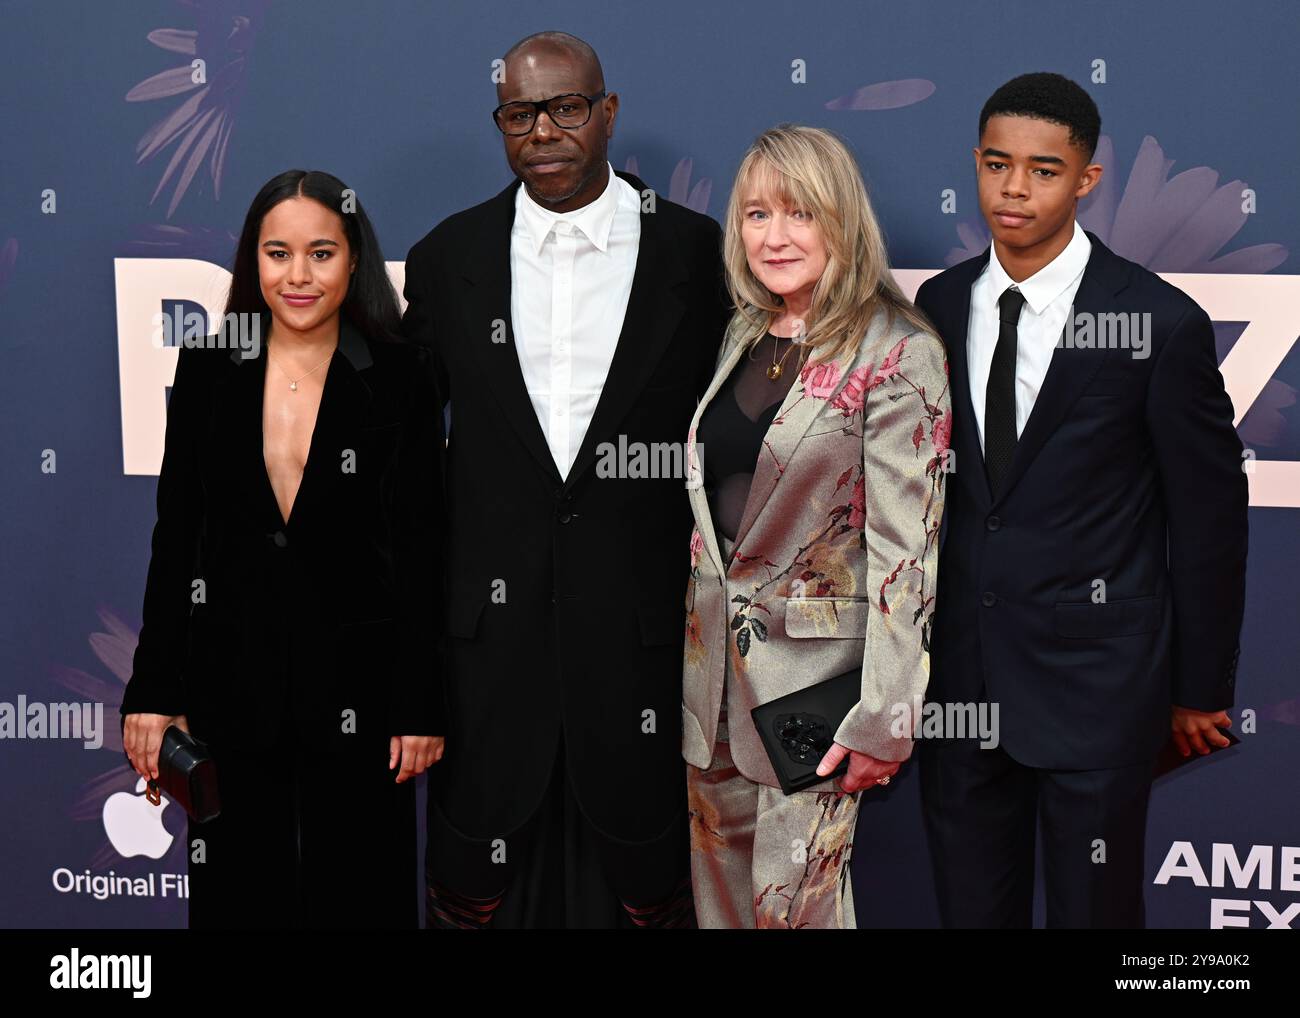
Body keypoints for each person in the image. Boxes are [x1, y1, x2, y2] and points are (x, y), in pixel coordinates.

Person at [401, 31, 730, 928]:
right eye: (520, 113)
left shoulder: (698, 255)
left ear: (608, 111)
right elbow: (401, 464)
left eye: (566, 108)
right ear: (500, 123)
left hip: (644, 661)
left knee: (648, 898)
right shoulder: (446, 259)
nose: (543, 131)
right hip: (485, 669)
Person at [913, 73, 1249, 928]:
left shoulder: (1158, 322)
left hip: (1098, 690)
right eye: (996, 165)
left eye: (1043, 170)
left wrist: (1200, 689)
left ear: (1086, 180)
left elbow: (1208, 519)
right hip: (961, 684)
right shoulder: (939, 304)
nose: (1014, 190)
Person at [121, 170, 446, 929]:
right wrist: (152, 690)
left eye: (321, 254)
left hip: (362, 696)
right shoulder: (207, 367)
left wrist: (420, 702)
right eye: (278, 253)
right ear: (253, 260)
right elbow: (178, 538)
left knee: (362, 897)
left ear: (355, 261)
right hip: (229, 687)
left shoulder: (403, 375)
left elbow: (424, 546)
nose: (298, 276)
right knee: (237, 899)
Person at [682, 125, 951, 928]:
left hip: (822, 696)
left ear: (841, 220)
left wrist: (886, 717)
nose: (774, 236)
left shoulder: (899, 353)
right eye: (757, 214)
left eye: (799, 213)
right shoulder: (743, 335)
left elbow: (911, 553)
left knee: (794, 912)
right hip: (713, 688)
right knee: (721, 907)